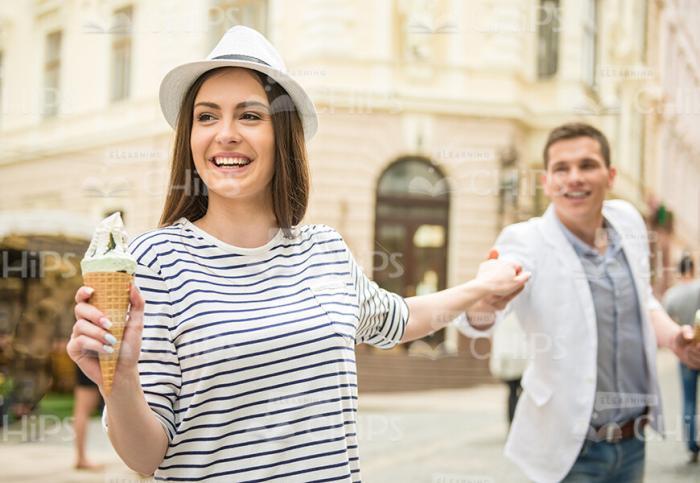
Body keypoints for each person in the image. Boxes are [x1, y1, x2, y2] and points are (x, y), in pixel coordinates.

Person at [66, 26, 528, 482]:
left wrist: (482, 288)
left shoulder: (324, 249)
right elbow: (145, 456)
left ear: (282, 135)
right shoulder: (154, 261)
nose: (224, 133)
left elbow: (401, 318)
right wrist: (121, 380)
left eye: (249, 116)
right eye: (206, 117)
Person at [456, 122, 700, 482]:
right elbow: (477, 319)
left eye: (586, 165)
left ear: (610, 174)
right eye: (561, 168)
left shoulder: (628, 221)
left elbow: (643, 298)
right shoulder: (524, 241)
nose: (574, 178)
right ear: (546, 181)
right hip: (571, 451)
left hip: (633, 442)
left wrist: (673, 339)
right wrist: (487, 301)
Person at [662, 254, 700, 463]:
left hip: (685, 351)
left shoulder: (671, 295)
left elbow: (667, 320)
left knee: (688, 400)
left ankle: (692, 446)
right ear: (693, 269)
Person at [488, 311, 528, 426]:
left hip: (506, 356)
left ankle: (513, 425)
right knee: (521, 392)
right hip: (520, 357)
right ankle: (519, 424)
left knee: (512, 392)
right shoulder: (520, 313)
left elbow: (492, 335)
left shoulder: (500, 313)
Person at [72, 365, 104, 470]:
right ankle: (138, 461)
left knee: (82, 409)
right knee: (123, 405)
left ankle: (80, 457)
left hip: (86, 352)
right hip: (112, 352)